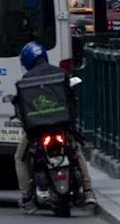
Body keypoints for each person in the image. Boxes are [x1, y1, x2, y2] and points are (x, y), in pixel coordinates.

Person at [14, 41, 93, 211]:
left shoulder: (26, 79)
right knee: (76, 150)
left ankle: (26, 194)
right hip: (61, 125)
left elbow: (22, 106)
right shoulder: (61, 73)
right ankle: (88, 191)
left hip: (37, 128)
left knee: (19, 157)